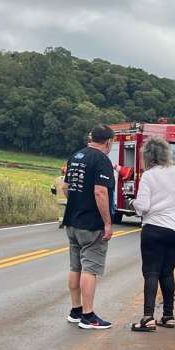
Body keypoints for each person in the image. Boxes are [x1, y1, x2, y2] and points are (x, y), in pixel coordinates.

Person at [131, 137, 175, 331]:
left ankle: (148, 318)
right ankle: (168, 316)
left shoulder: (148, 176)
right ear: (166, 154)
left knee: (151, 272)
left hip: (156, 229)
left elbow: (143, 207)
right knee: (167, 272)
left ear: (147, 157)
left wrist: (131, 203)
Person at [63, 126, 116, 329]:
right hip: (91, 224)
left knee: (75, 266)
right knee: (90, 268)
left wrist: (77, 203)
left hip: (72, 221)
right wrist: (108, 223)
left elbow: (65, 186)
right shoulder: (101, 160)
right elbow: (100, 192)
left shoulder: (76, 156)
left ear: (91, 138)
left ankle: (75, 310)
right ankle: (88, 316)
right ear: (108, 142)